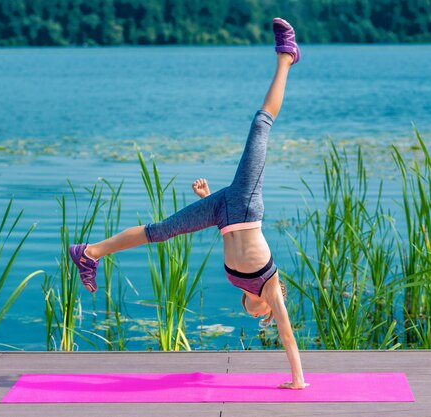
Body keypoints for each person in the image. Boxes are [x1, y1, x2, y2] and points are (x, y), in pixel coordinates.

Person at [69, 18, 308, 390]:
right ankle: (287, 57)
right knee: (261, 124)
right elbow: (287, 333)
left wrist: (208, 197)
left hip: (222, 213)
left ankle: (90, 252)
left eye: (248, 308)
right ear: (263, 312)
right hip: (244, 205)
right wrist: (298, 380)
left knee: (159, 231)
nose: (248, 309)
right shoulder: (270, 287)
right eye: (255, 312)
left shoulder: (239, 284)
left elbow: (231, 241)